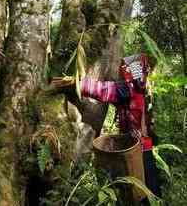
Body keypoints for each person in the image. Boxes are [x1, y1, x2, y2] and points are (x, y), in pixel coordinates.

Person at [49, 53, 160, 201]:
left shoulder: (129, 89)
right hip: (141, 146)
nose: (122, 73)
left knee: (142, 192)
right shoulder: (140, 89)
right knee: (147, 189)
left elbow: (103, 90)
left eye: (125, 70)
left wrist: (78, 84)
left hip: (137, 149)